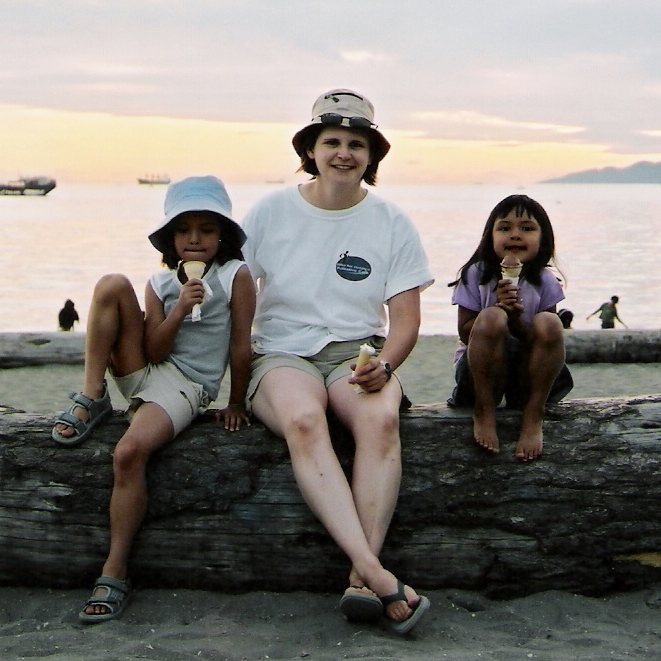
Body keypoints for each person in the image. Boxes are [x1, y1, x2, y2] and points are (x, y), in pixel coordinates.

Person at [242, 89, 433, 634]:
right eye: (332, 142)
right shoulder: (271, 211)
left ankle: (358, 577)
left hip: (357, 353)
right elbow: (238, 300)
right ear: (311, 149)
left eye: (357, 143)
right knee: (305, 422)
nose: (344, 153)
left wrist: (387, 366)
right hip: (281, 354)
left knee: (380, 419)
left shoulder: (391, 222)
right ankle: (379, 576)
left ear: (372, 155)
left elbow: (407, 322)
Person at [50, 175, 256, 624]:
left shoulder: (234, 276)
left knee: (128, 452)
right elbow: (155, 350)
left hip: (187, 385)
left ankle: (115, 569)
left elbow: (242, 345)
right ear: (171, 237)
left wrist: (236, 401)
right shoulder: (159, 283)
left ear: (223, 234)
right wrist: (180, 306)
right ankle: (92, 395)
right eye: (185, 230)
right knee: (109, 283)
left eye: (206, 229)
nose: (196, 239)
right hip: (147, 369)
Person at [447, 194, 573, 462]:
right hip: (480, 374)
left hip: (527, 377)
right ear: (489, 237)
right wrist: (499, 312)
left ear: (543, 240)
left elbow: (542, 342)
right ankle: (484, 409)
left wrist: (516, 321)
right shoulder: (476, 275)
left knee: (551, 322)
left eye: (527, 228)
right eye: (504, 228)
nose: (515, 235)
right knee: (491, 317)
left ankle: (533, 413)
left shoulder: (545, 281)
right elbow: (464, 332)